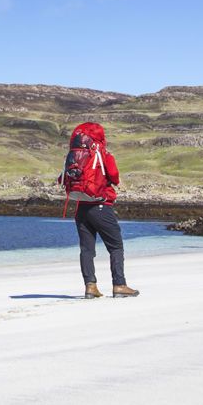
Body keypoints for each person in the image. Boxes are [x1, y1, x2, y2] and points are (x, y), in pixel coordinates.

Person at [64, 122, 139, 299]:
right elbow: (114, 176)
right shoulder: (102, 153)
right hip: (101, 206)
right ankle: (119, 285)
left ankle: (90, 287)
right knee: (116, 246)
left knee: (86, 249)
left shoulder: (74, 155)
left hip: (81, 206)